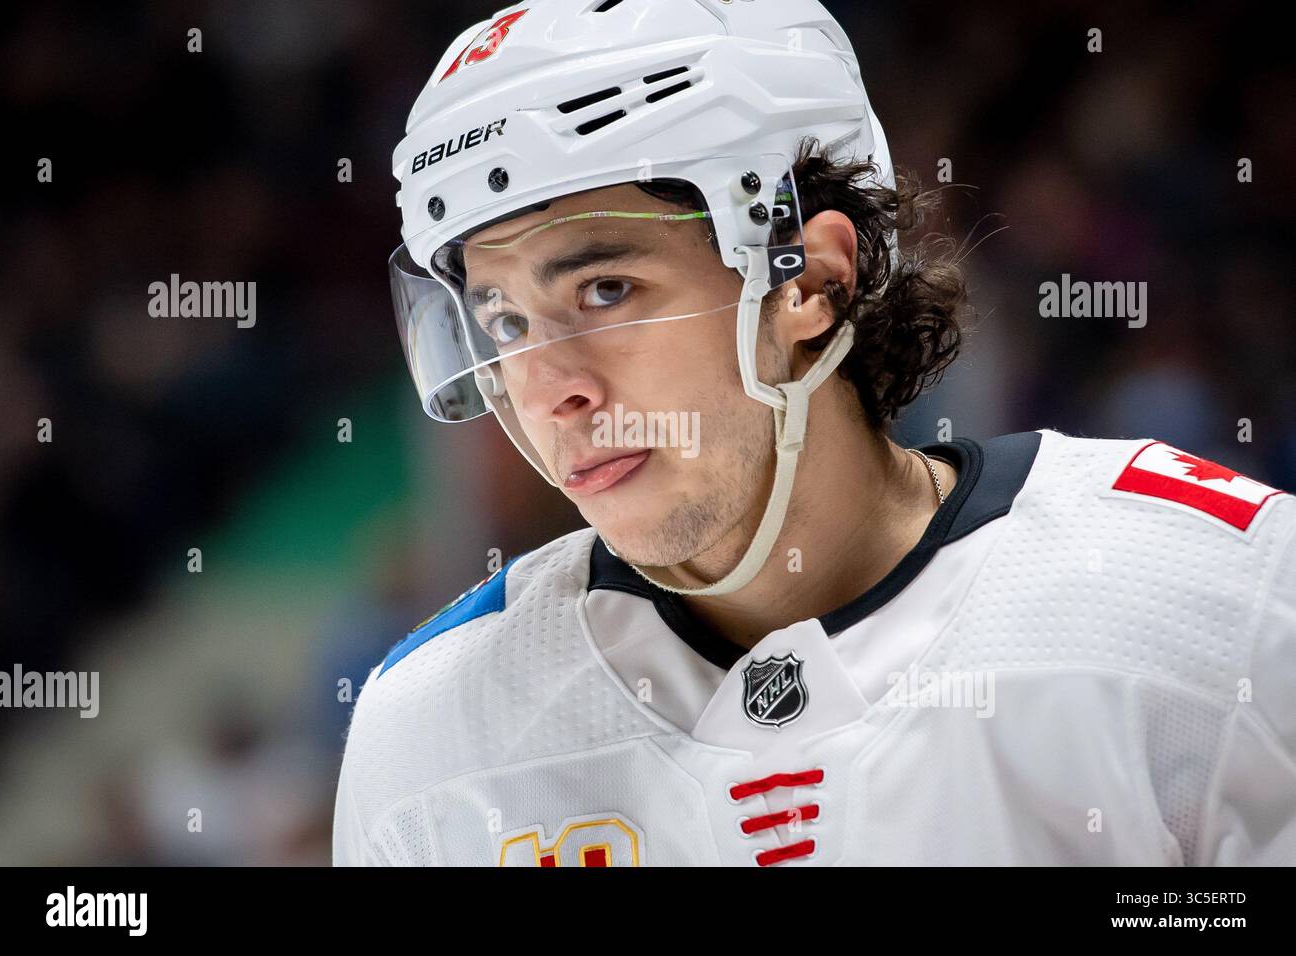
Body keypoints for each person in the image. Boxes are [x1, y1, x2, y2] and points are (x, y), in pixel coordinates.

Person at [334, 0, 1296, 866]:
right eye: (504, 323)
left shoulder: (1209, 598)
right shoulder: (430, 732)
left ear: (808, 281)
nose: (550, 393)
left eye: (604, 290)